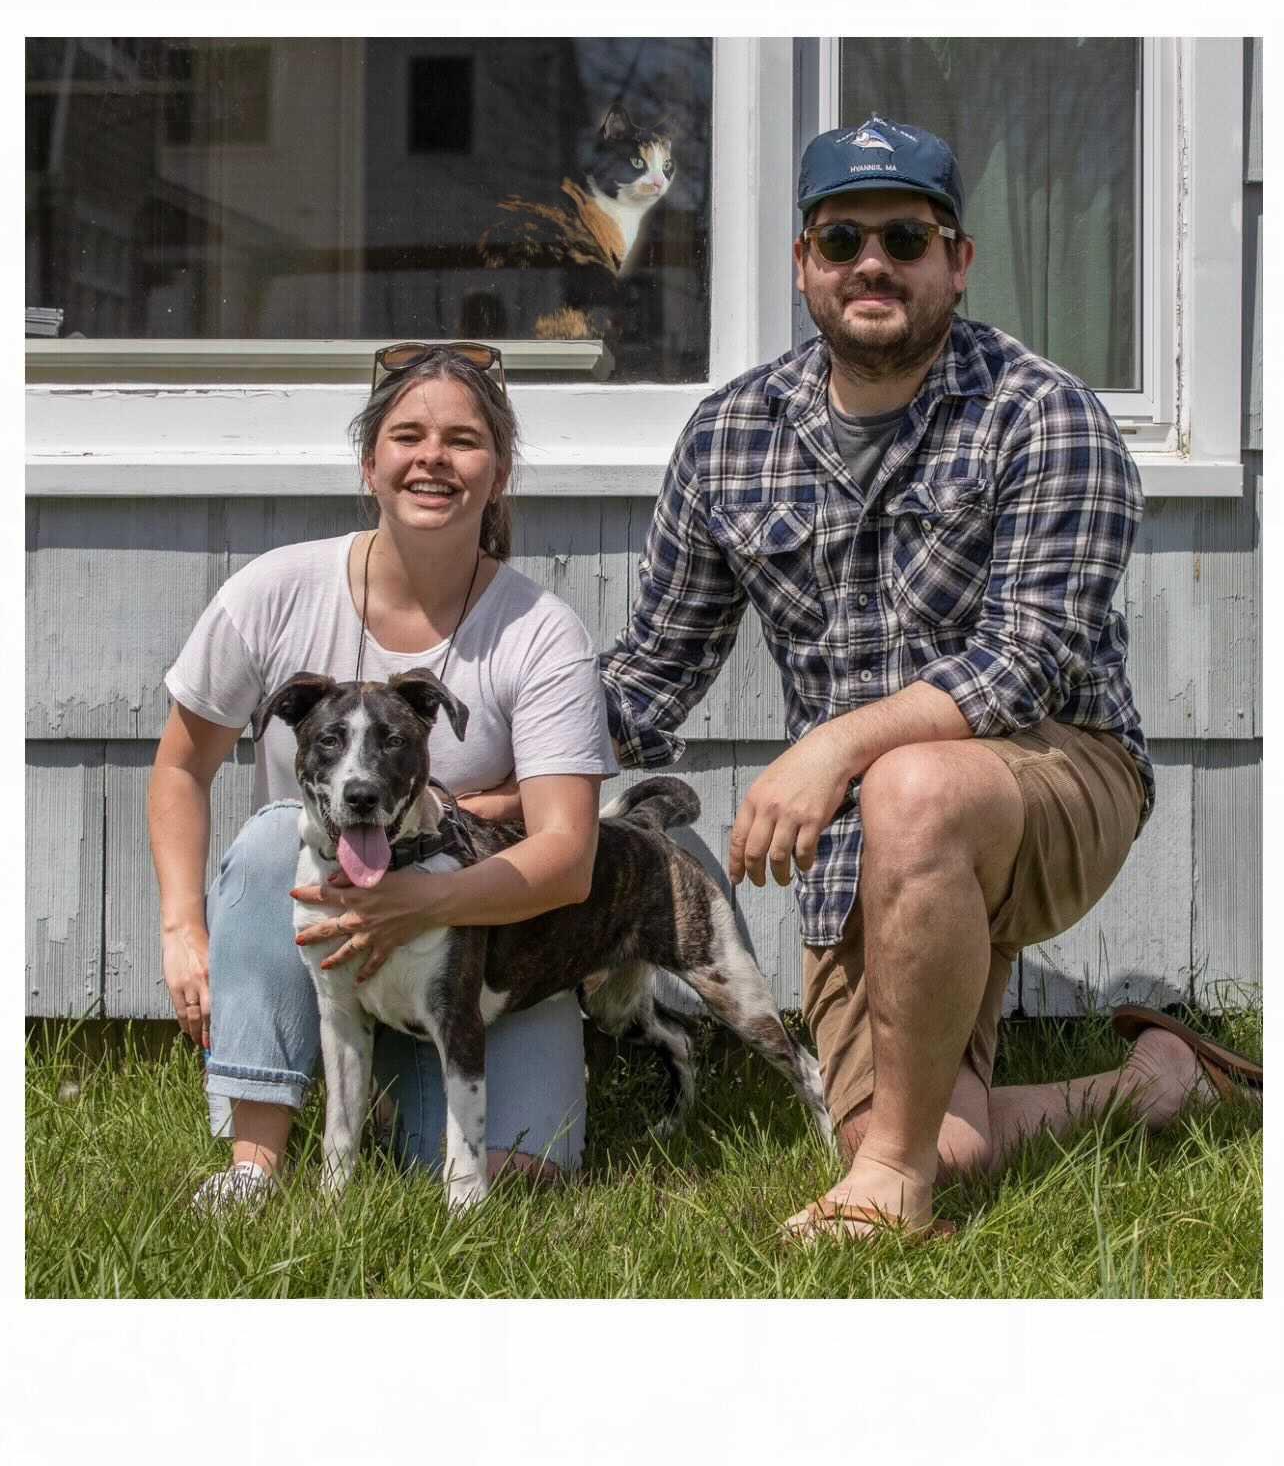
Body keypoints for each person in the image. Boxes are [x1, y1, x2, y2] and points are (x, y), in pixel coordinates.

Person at [591, 115, 1264, 1241]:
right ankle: (1150, 1085)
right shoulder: (729, 437)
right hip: (862, 833)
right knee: (942, 1130)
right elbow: (649, 675)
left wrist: (837, 745)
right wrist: (478, 749)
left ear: (957, 261)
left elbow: (1024, 660)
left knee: (915, 786)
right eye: (841, 235)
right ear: (804, 262)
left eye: (906, 237)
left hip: (1058, 773)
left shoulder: (1045, 413)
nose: (872, 262)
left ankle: (887, 1195)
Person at [149, 341, 616, 1211]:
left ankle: (401, 1096)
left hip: (478, 945)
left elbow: (569, 854)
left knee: (524, 1173)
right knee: (267, 840)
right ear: (371, 463)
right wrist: (182, 927)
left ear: (499, 471)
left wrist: (426, 902)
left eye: (463, 440)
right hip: (322, 931)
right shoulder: (277, 591)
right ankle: (256, 1160)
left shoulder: (540, 632)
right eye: (407, 435)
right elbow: (182, 766)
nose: (432, 457)